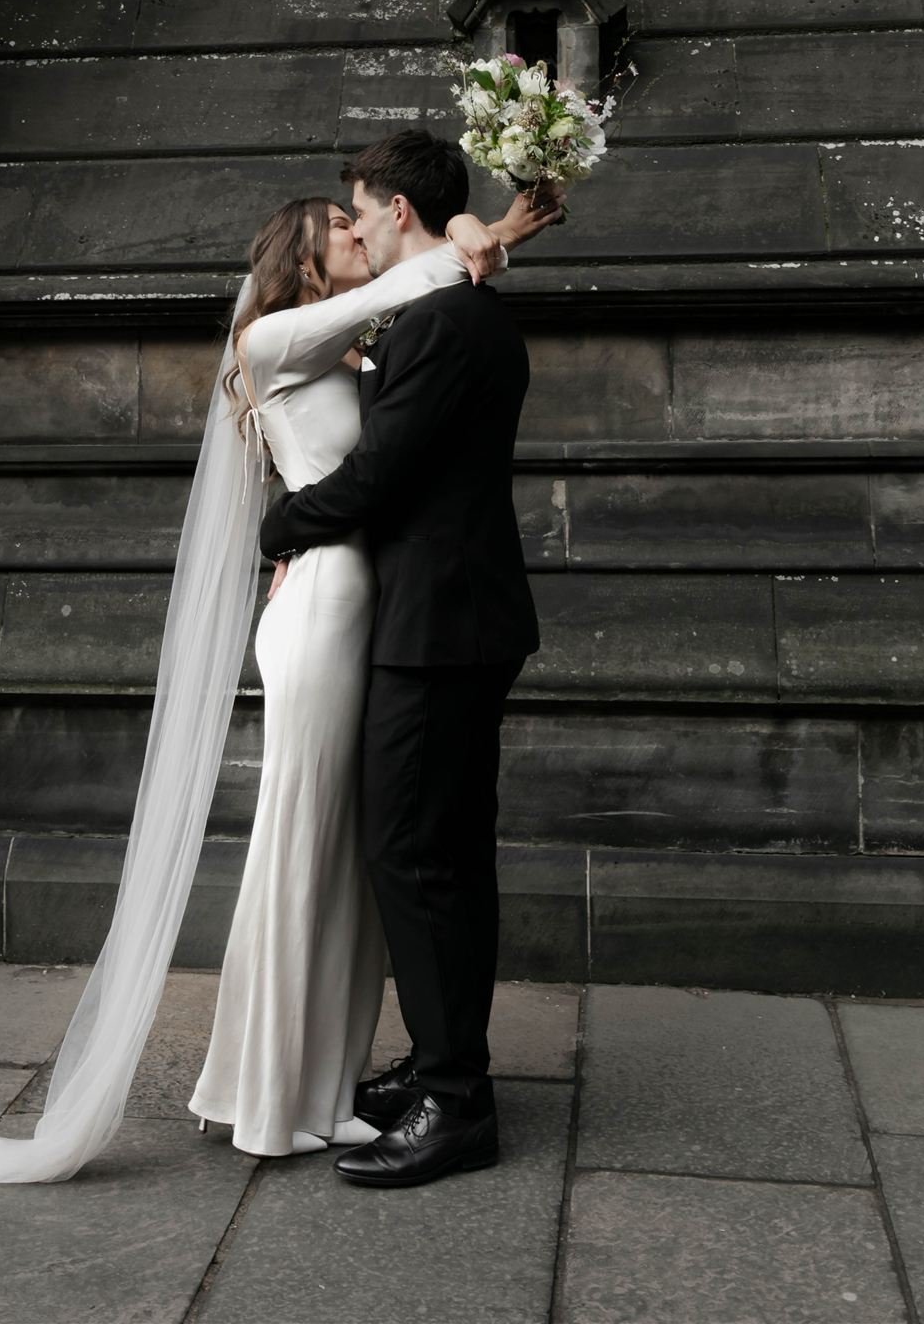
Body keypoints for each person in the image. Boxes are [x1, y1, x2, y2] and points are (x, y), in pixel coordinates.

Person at [0, 140, 550, 1186]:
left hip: (385, 608)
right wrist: (483, 234)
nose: (356, 230)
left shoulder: (366, 338)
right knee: (315, 841)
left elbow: (413, 326)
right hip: (328, 610)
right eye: (338, 225)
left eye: (361, 213)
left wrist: (476, 235)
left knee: (355, 850)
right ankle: (275, 1086)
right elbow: (390, 372)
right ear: (305, 256)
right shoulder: (272, 336)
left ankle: (335, 1073)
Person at [259, 129, 543, 1188]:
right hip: (449, 619)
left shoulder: (443, 325)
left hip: (439, 629)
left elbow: (376, 480)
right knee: (443, 853)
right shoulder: (449, 313)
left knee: (415, 855)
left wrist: (278, 528)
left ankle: (456, 1103)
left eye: (366, 211)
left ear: (401, 212)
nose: (362, 228)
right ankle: (437, 1066)